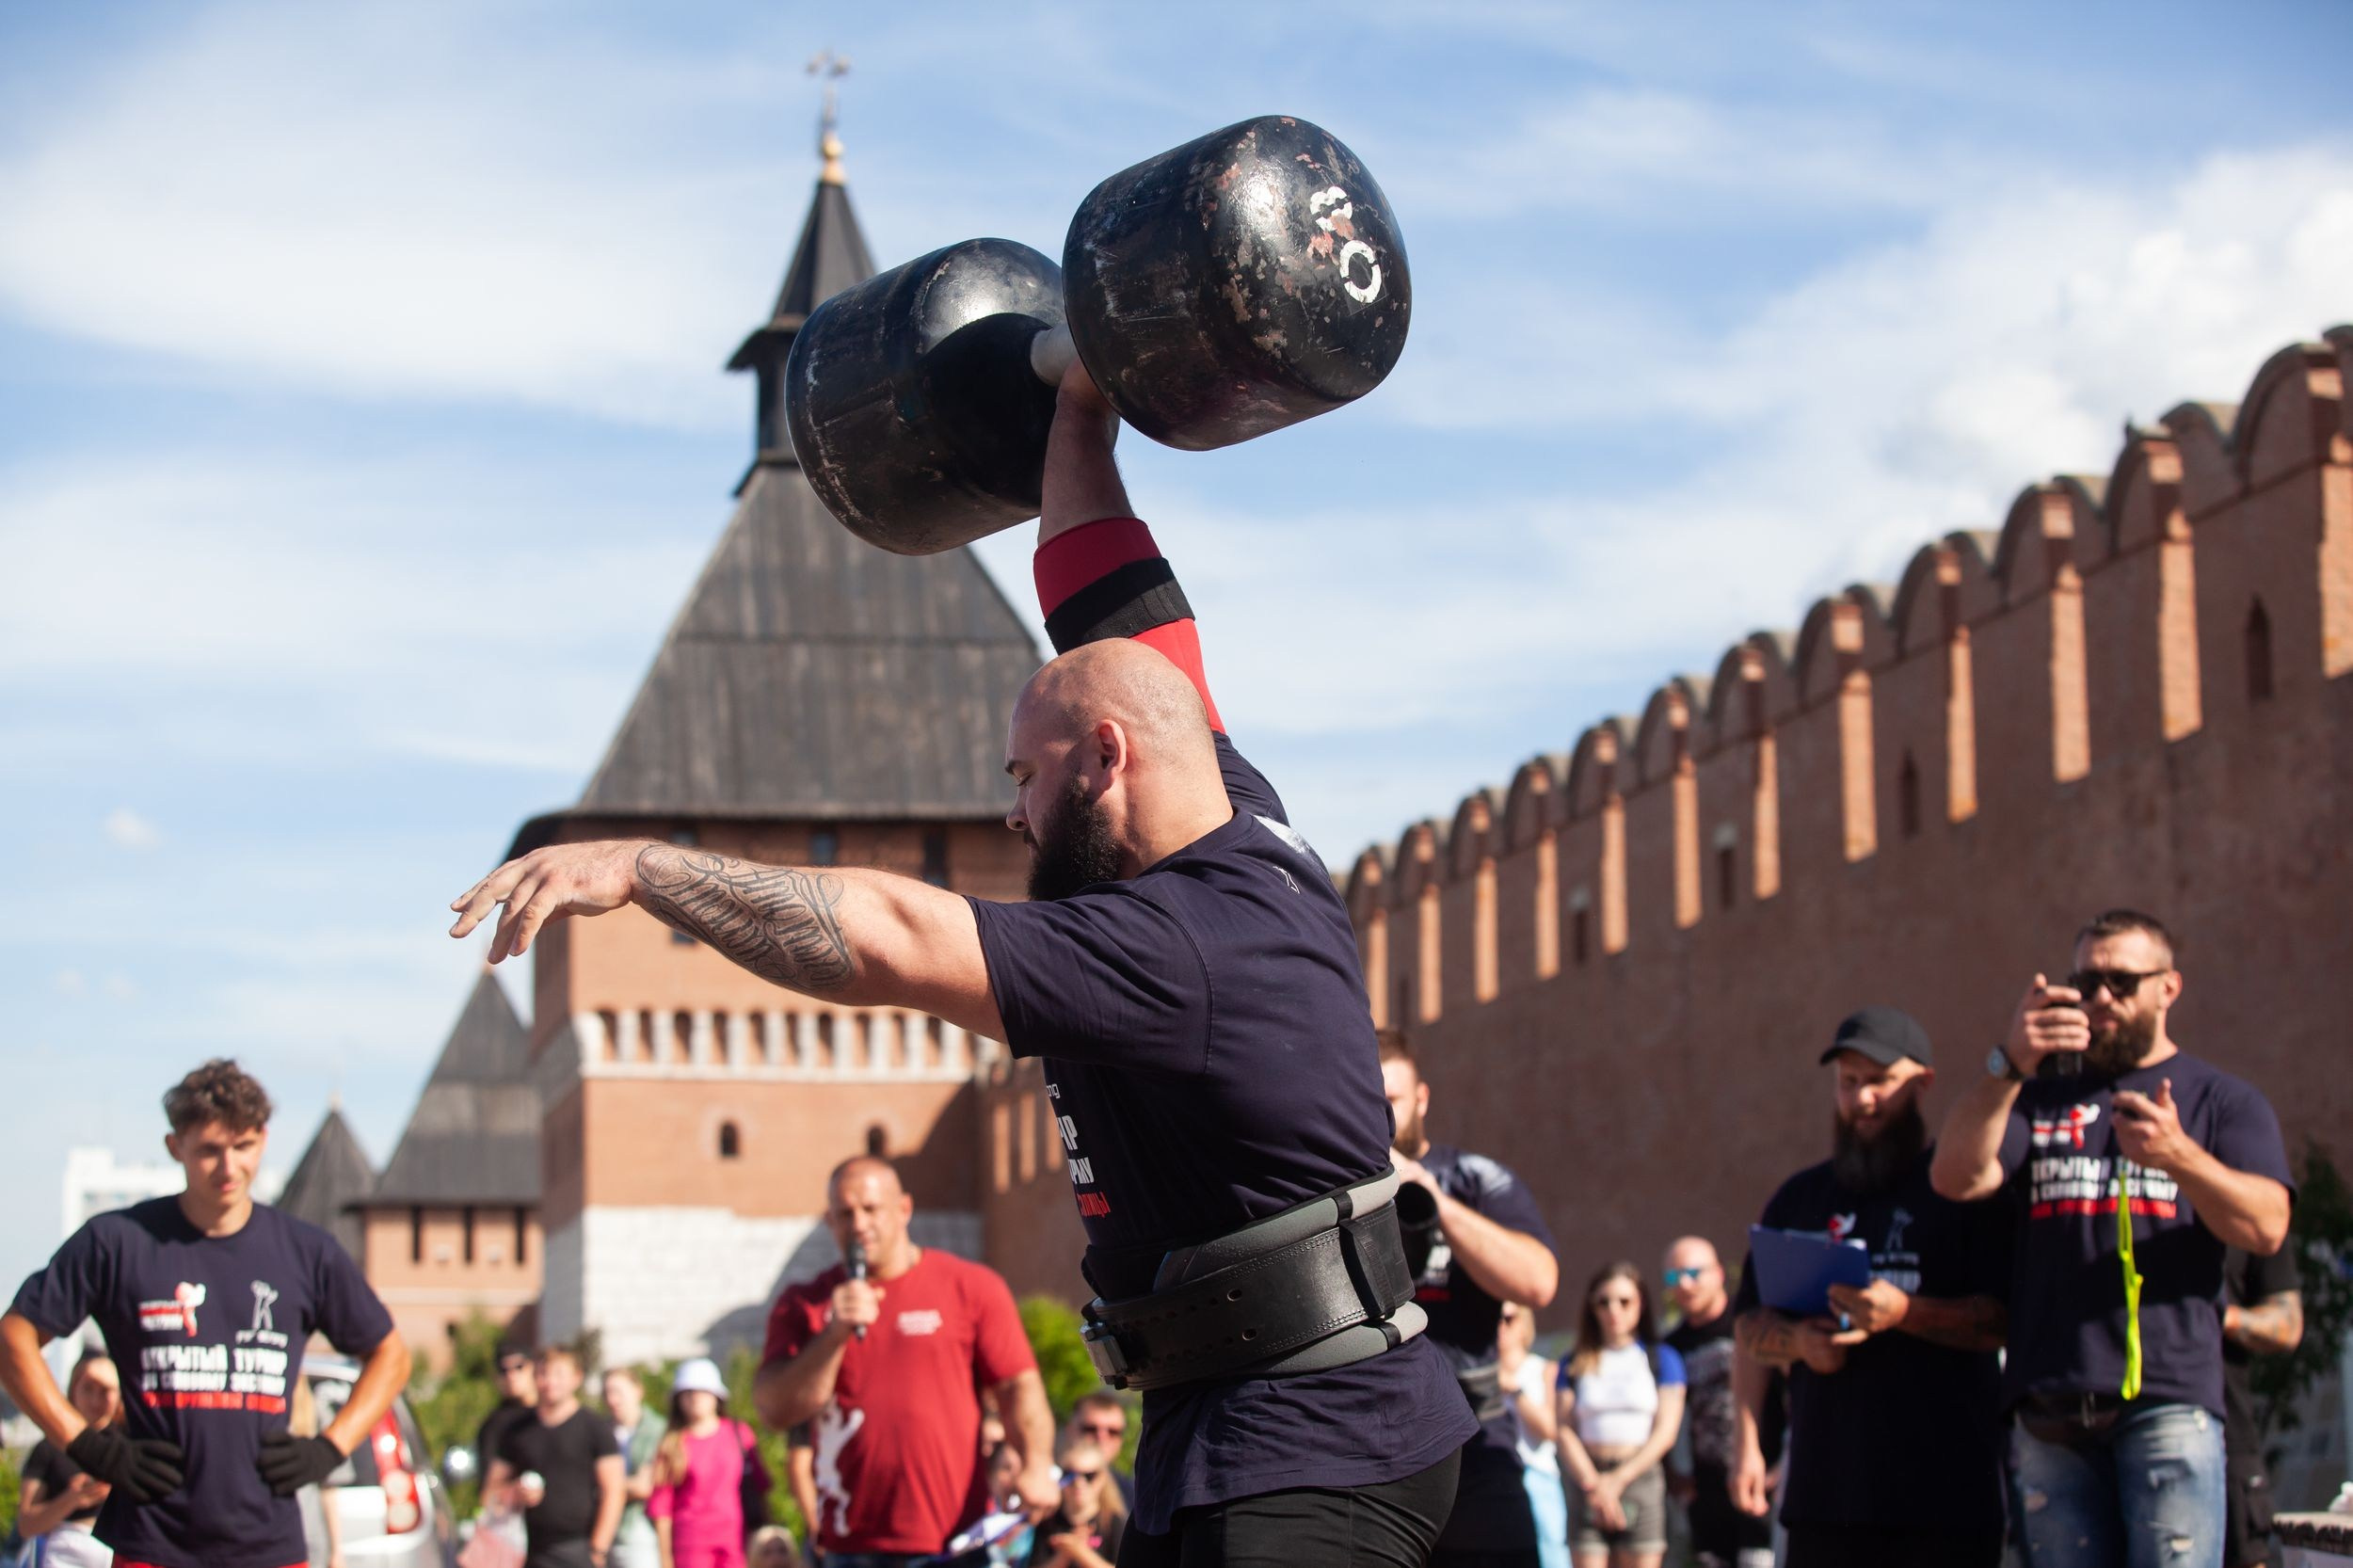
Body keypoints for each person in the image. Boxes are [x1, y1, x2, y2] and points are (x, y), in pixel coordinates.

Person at [449, 352, 1476, 1563]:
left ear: (1103, 761)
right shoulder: (1231, 815)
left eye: (1022, 777)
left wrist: (647, 870)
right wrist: (1082, 405)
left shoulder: (1177, 945)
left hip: (1312, 1448)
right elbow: (1115, 603)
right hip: (1245, 1430)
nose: (1009, 815)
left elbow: (888, 934)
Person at [1931, 909, 2295, 1568]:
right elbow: (1955, 1177)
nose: (2101, 999)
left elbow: (2267, 1227)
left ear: (2168, 988)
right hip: (2049, 1410)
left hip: (2167, 1402)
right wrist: (2008, 1062)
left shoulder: (2220, 1101)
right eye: (2087, 982)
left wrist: (2180, 1155)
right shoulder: (2038, 1097)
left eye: (2122, 983)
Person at [0, 1059, 410, 1568]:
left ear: (263, 1139)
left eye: (243, 1147)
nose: (229, 1168)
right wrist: (87, 1446)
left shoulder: (306, 1252)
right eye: (209, 1151)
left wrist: (330, 1446)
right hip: (153, 1538)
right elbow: (13, 1339)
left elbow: (390, 1355)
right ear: (176, 1147)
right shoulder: (118, 1243)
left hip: (267, 1541)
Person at [1728, 1007, 2011, 1568]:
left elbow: (2002, 1320)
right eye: (1848, 1083)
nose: (1862, 1100)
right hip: (1826, 1501)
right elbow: (1750, 1328)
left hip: (1948, 1500)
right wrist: (1799, 1346)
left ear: (1923, 1083)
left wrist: (1906, 1312)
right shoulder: (1800, 1199)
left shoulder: (1961, 1190)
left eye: (1880, 1081)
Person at [754, 1158, 1055, 1561]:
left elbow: (1018, 1385)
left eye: (871, 1209)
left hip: (954, 1543)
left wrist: (1036, 1463)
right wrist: (833, 1335)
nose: (859, 1224)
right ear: (830, 1222)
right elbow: (775, 1410)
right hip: (851, 1547)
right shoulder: (805, 1303)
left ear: (904, 1210)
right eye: (845, 1214)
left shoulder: (970, 1287)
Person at [1381, 1032, 1561, 1568]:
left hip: (1475, 1445)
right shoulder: (1332, 1188)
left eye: (1392, 1100)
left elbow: (1538, 1282)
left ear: (1422, 1100)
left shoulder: (1473, 1179)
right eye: (1368, 1102)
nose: (1382, 1116)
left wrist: (1429, 1197)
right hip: (1373, 1449)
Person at [1556, 1263, 1685, 1568]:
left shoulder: (1661, 1358)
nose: (1614, 1310)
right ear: (1592, 1307)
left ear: (1640, 1304)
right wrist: (1595, 1485)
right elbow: (1564, 1429)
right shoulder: (1574, 1361)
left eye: (1624, 1301)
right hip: (1586, 1478)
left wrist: (1617, 1480)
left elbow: (1666, 1432)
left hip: (1640, 1476)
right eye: (1604, 1302)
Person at [1654, 1240, 1767, 1568]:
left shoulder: (1749, 1324)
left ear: (1718, 1274)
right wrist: (1674, 1473)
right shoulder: (1672, 1347)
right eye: (1675, 1278)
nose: (1685, 1285)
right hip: (1706, 1492)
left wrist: (1779, 1466)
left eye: (1693, 1273)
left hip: (1759, 1481)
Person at [486, 1345, 625, 1568]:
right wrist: (515, 1492)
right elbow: (491, 1492)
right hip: (527, 1550)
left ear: (576, 1378)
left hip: (578, 1549)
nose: (550, 1382)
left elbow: (614, 1491)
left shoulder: (595, 1428)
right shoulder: (516, 1430)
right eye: (543, 1373)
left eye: (559, 1374)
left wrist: (598, 1550)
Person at [2220, 1246, 2303, 1568]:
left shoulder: (2251, 1209)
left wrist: (2212, 1314)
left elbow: (2288, 1322)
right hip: (2087, 1425)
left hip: (2230, 1434)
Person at [648, 1358, 768, 1568]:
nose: (695, 1398)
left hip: (737, 1539)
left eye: (702, 1391)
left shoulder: (739, 1434)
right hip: (691, 1542)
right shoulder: (672, 1443)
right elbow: (662, 1508)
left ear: (716, 1396)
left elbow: (759, 1488)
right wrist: (665, 1559)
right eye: (688, 1393)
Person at [16, 1351, 123, 1568]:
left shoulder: (131, 1447)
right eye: (88, 1388)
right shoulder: (50, 1447)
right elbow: (26, 1523)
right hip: (66, 1550)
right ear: (73, 1389)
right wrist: (72, 1499)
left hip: (118, 1548)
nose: (95, 1399)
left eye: (105, 1390)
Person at [1495, 1304, 1566, 1568]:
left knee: (1550, 1556)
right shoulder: (1479, 1371)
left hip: (1538, 1476)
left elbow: (1550, 1430)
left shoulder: (1544, 1369)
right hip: (1496, 1476)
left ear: (1525, 1323)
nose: (1501, 1324)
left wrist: (1515, 1392)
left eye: (1509, 1318)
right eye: (1496, 1317)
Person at [1025, 1437, 1126, 1568]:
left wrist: (1079, 1552)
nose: (1079, 1483)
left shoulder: (1112, 1522)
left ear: (1102, 1479)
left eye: (1089, 1476)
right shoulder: (1047, 1521)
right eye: (1070, 1475)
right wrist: (1063, 1557)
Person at [604, 1368, 667, 1568]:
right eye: (608, 1393)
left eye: (618, 1392)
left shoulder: (658, 1429)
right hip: (604, 1529)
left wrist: (607, 1486)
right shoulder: (601, 1431)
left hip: (639, 1529)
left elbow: (644, 1486)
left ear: (638, 1391)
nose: (613, 1399)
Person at [1062, 1393, 1133, 1512]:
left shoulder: (1132, 1495)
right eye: (1091, 1429)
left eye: (1113, 1432)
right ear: (1070, 1430)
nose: (1102, 1438)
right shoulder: (1048, 1483)